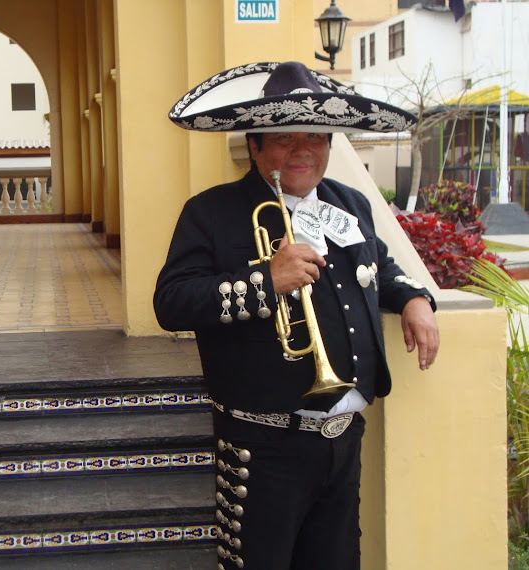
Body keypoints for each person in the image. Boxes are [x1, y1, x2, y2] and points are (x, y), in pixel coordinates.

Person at [154, 62, 439, 569]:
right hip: (262, 446)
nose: (303, 149)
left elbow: (379, 268)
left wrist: (415, 297)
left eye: (316, 135)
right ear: (255, 146)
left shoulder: (350, 203)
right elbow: (171, 303)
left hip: (344, 438)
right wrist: (266, 279)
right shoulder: (210, 212)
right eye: (285, 137)